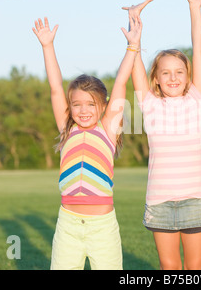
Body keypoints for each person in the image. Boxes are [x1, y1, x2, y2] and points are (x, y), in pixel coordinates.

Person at [32, 14, 143, 269]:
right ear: (69, 108)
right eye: (77, 105)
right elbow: (56, 88)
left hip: (102, 227)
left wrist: (133, 47)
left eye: (91, 104)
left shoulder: (107, 130)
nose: (83, 110)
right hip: (68, 224)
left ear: (103, 106)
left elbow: (121, 82)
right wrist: (48, 46)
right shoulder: (66, 131)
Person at [123, 0, 201, 270]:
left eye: (179, 72)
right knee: (169, 266)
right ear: (156, 78)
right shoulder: (149, 104)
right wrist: (134, 24)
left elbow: (198, 51)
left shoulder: (197, 99)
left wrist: (195, 8)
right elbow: (134, 59)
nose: (173, 78)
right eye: (166, 73)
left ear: (188, 77)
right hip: (160, 202)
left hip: (195, 198)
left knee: (196, 266)